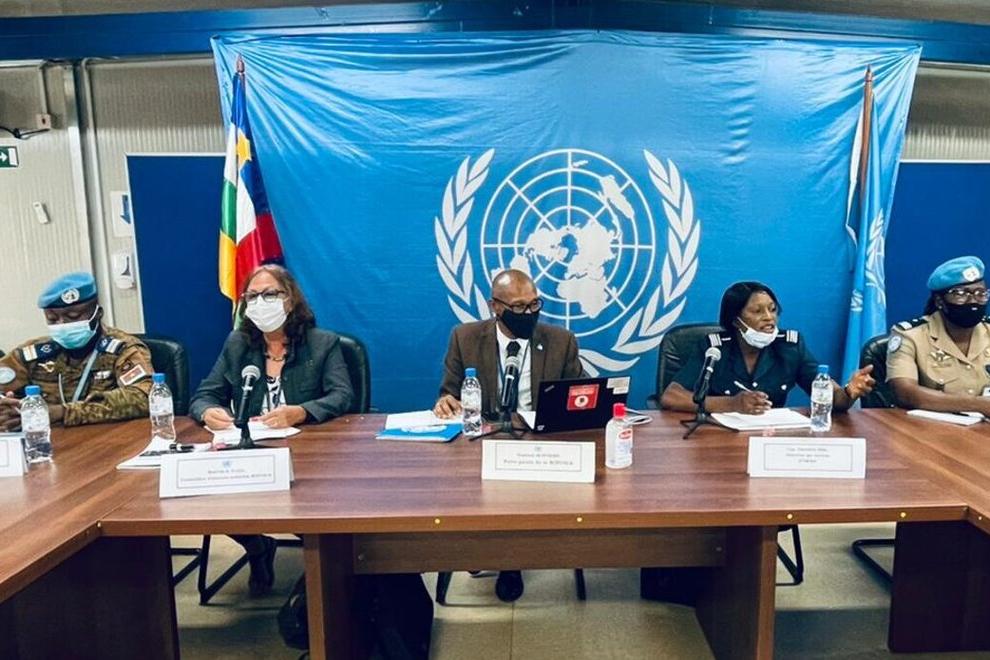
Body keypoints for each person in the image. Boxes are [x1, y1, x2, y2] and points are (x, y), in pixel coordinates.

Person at [189, 264, 354, 596]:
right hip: (251, 450)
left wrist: (301, 412)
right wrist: (208, 411)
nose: (260, 303)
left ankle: (324, 575)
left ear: (289, 300)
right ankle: (256, 545)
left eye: (270, 294)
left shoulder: (322, 343)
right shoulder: (238, 344)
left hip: (307, 456)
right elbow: (205, 393)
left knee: (313, 513)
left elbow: (342, 395)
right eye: (252, 297)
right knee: (205, 498)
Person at [433, 268, 584, 603]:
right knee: (480, 484)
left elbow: (577, 397)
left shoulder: (561, 341)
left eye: (534, 305)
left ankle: (510, 562)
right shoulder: (465, 337)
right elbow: (450, 392)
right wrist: (446, 402)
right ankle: (486, 548)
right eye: (518, 307)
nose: (528, 313)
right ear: (495, 307)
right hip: (484, 440)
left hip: (540, 441)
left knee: (518, 489)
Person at [661, 281, 875, 413]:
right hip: (715, 437)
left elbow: (829, 397)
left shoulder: (790, 346)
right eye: (757, 312)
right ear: (735, 320)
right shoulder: (714, 349)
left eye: (772, 310)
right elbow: (671, 397)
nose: (769, 318)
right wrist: (731, 404)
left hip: (770, 439)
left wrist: (848, 392)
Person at [0, 272, 153, 432]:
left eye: (73, 316)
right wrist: (6, 409)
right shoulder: (33, 354)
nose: (62, 324)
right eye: (52, 319)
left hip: (107, 438)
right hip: (46, 440)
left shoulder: (122, 348)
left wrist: (62, 412)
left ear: (98, 313)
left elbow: (144, 397)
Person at [887, 256, 990, 414]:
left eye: (980, 293)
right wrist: (977, 405)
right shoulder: (910, 336)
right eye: (960, 294)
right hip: (929, 426)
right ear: (939, 301)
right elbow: (905, 393)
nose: (973, 301)